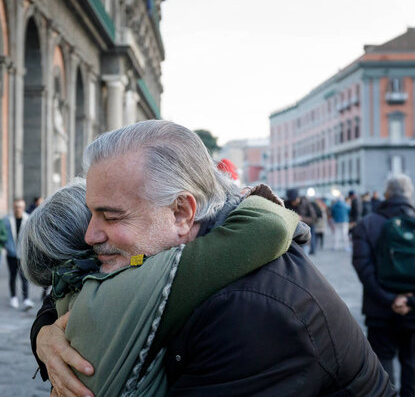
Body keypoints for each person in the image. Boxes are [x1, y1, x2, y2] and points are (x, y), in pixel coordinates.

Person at [31, 120, 395, 397]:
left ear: (181, 213)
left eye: (111, 217)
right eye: (92, 213)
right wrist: (45, 335)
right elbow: (79, 281)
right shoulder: (161, 256)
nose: (90, 235)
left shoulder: (251, 311)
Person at [20, 178, 299, 395]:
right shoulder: (144, 281)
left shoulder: (76, 291)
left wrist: (42, 334)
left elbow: (56, 296)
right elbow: (269, 226)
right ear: (93, 248)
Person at [352, 174, 415, 397]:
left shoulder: (368, 224)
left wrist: (389, 299)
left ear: (386, 194)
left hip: (379, 308)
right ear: (411, 196)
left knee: (382, 360)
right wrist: (412, 301)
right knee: (411, 360)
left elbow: (362, 267)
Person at [3, 198, 33, 310]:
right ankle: (13, 297)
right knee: (12, 276)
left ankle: (26, 299)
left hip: (23, 253)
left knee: (24, 277)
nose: (18, 209)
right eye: (16, 206)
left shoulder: (28, 219)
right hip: (11, 253)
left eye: (20, 207)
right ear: (13, 207)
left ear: (23, 207)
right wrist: (5, 245)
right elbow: (2, 234)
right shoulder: (6, 219)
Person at [285, 188, 318, 254]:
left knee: (305, 252)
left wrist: (302, 219)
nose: (293, 202)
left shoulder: (306, 203)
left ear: (298, 197)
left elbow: (314, 218)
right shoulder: (287, 204)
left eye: (294, 200)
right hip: (294, 234)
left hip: (306, 230)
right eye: (291, 201)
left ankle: (312, 250)